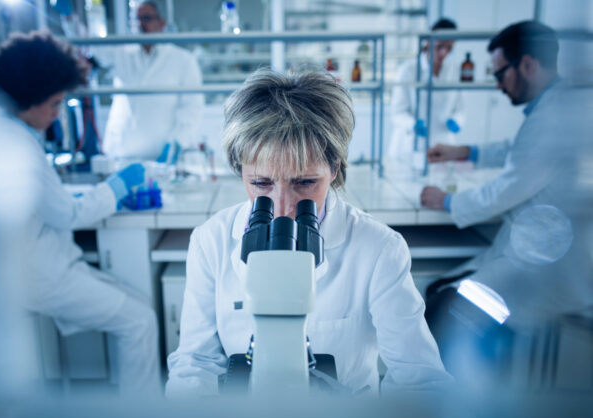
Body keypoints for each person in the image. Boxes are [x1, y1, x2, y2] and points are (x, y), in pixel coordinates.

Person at [166, 69, 452, 396]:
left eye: (304, 183)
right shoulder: (210, 241)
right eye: (261, 183)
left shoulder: (378, 249)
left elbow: (420, 380)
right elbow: (195, 363)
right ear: (239, 169)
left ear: (334, 169)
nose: (283, 208)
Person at [0, 30, 161, 393]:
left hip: (31, 265)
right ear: (29, 100)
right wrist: (117, 186)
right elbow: (67, 214)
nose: (56, 114)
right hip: (40, 276)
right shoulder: (19, 145)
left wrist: (111, 192)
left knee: (140, 305)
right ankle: (141, 415)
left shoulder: (3, 132)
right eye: (55, 104)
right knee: (140, 320)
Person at [420, 21, 593, 327]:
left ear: (526, 65)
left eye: (500, 74)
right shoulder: (558, 106)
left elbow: (506, 189)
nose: (498, 85)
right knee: (440, 290)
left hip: (546, 268)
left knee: (444, 309)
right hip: (547, 252)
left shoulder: (552, 118)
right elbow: (520, 150)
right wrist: (466, 152)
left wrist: (448, 201)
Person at [96, 0, 204, 160]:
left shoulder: (183, 60)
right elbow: (93, 50)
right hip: (122, 152)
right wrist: (71, 19)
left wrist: (176, 142)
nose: (140, 24)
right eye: (136, 20)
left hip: (162, 153)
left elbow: (192, 107)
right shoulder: (122, 54)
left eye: (146, 18)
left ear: (161, 23)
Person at [389, 18, 465, 166]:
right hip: (410, 144)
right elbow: (397, 113)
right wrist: (412, 124)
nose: (444, 52)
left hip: (443, 143)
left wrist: (457, 121)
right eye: (440, 46)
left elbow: (460, 109)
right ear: (429, 41)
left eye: (449, 48)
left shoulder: (455, 70)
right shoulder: (408, 70)